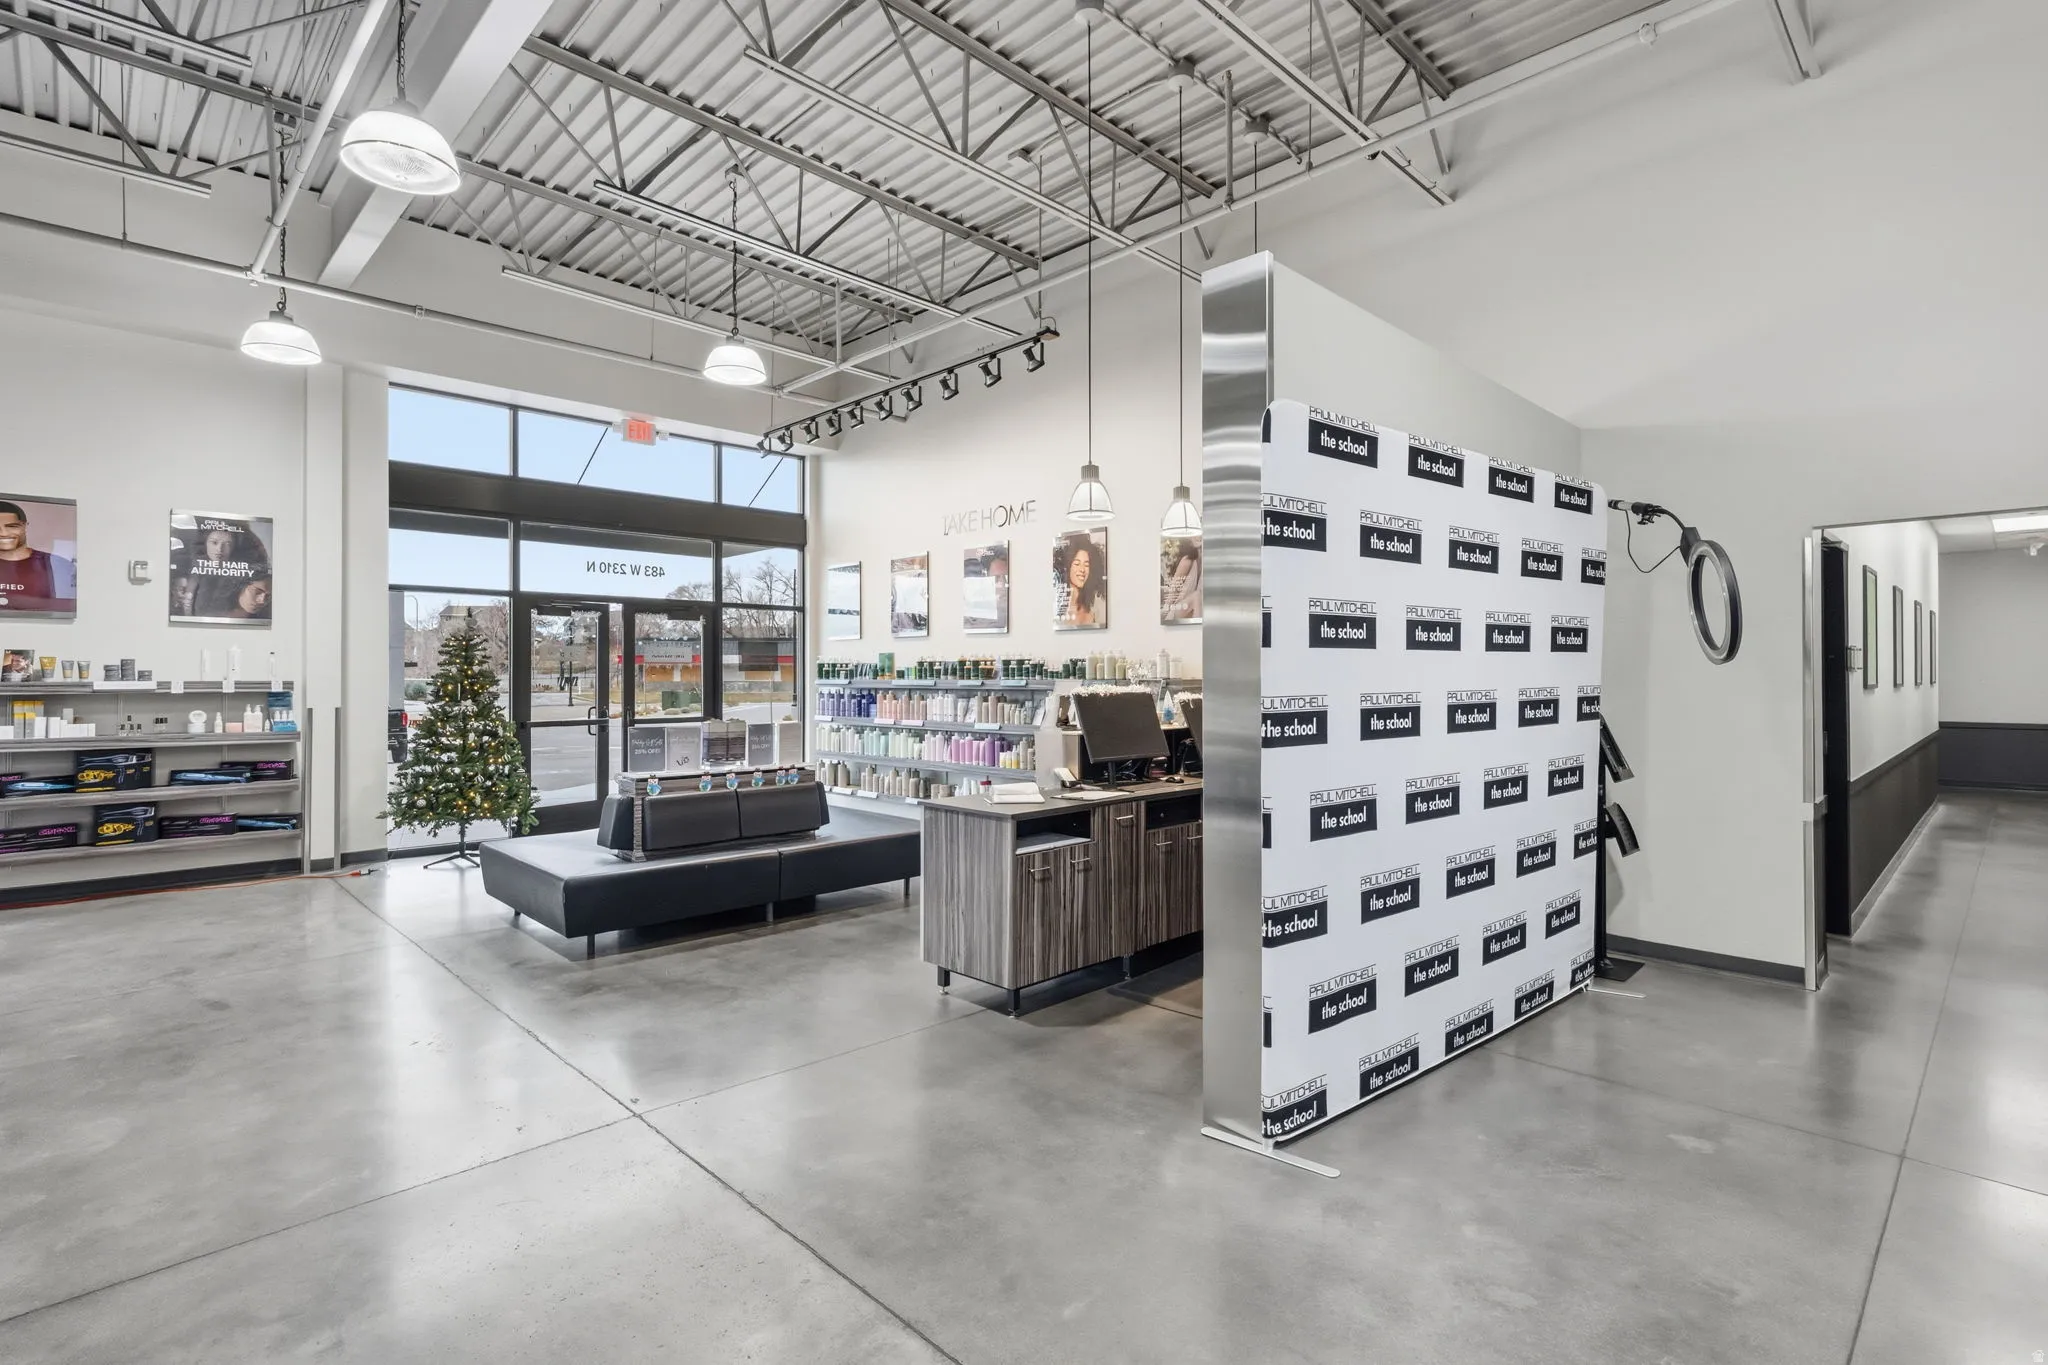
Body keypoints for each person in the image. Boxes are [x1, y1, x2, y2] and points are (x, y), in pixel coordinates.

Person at [0, 499, 76, 612]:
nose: (3, 533)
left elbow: (68, 611)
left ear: (25, 526)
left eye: (12, 526)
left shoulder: (58, 565)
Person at [1055, 535, 1103, 628]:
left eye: (1086, 565)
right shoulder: (1058, 609)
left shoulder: (1095, 609)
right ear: (1067, 567)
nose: (1082, 570)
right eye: (1077, 564)